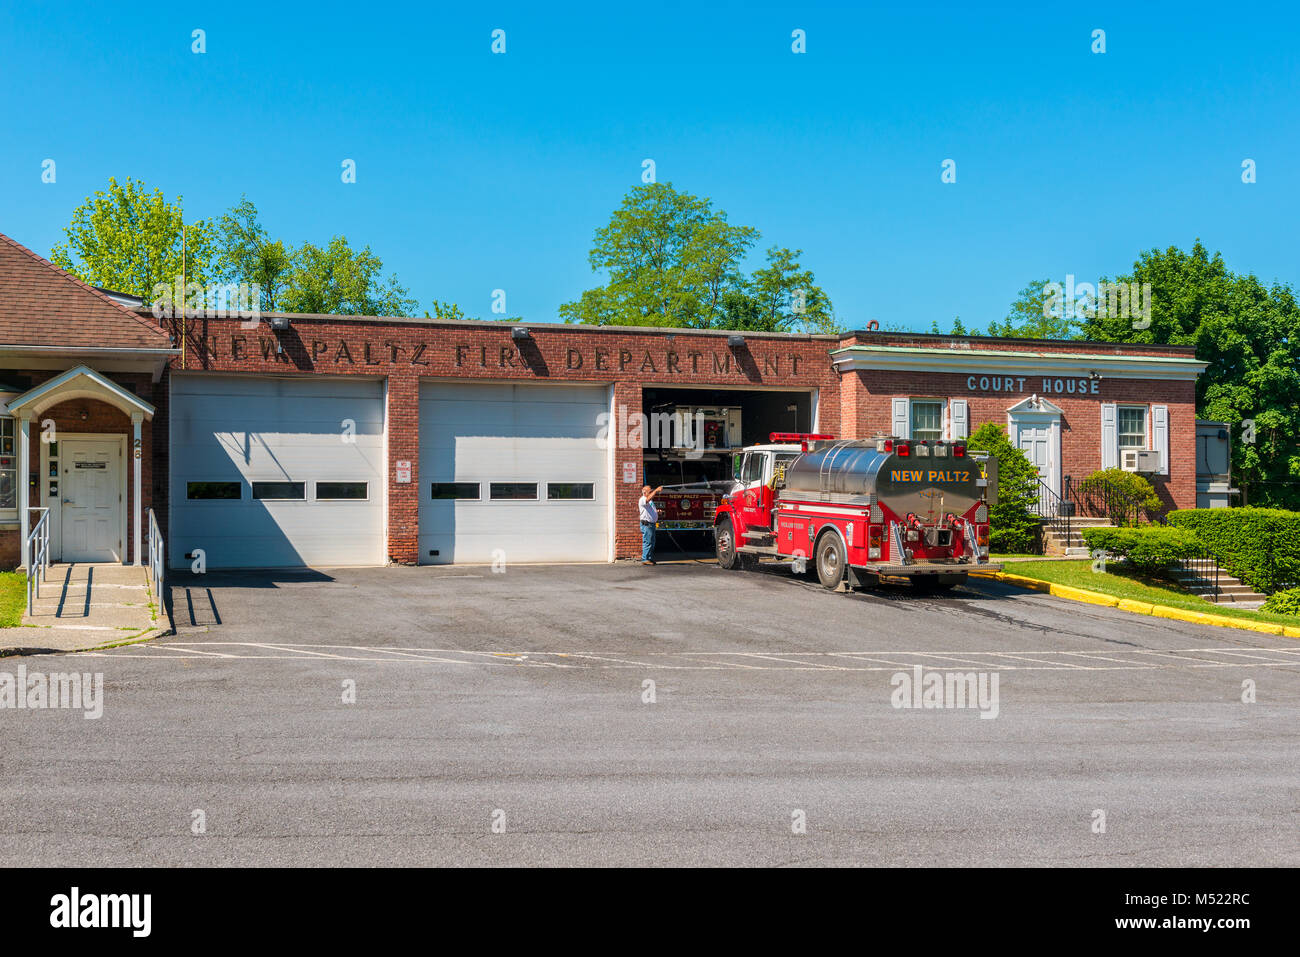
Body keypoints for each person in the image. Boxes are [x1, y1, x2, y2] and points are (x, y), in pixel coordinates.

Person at [638, 484, 663, 565]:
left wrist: (657, 512)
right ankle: (645, 559)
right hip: (647, 524)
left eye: (652, 491)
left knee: (652, 542)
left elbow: (650, 510)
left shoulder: (650, 501)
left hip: (651, 524)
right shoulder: (643, 499)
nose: (652, 492)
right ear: (645, 492)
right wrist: (656, 490)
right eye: (650, 491)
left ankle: (649, 558)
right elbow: (647, 500)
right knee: (647, 541)